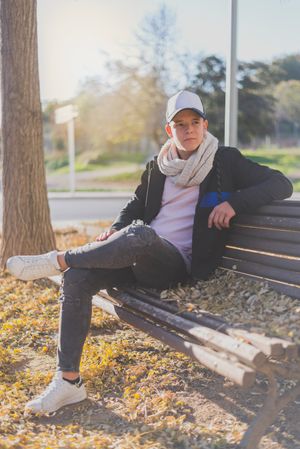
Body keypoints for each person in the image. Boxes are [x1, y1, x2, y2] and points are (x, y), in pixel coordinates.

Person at [6, 90, 293, 414]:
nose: (188, 130)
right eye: (180, 124)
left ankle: (55, 260)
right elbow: (134, 207)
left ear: (204, 125)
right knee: (78, 277)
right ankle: (69, 382)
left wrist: (233, 203)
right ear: (169, 130)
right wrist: (115, 230)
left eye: (194, 122)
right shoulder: (158, 167)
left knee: (142, 235)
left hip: (176, 263)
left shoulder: (224, 161)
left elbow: (281, 184)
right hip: (137, 254)